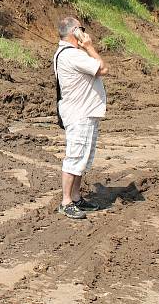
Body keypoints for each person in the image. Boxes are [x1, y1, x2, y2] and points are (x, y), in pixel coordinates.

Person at [53, 16, 109, 220]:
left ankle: (75, 197)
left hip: (84, 112)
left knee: (82, 158)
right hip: (79, 113)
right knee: (75, 157)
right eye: (81, 29)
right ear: (75, 32)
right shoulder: (73, 55)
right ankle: (66, 201)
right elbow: (102, 68)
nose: (85, 32)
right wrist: (89, 46)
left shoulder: (69, 54)